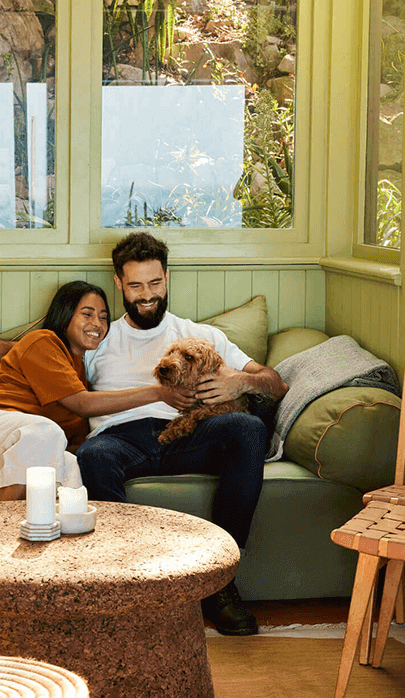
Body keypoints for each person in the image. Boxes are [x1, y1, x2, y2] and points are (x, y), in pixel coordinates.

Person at [75, 232, 288, 636]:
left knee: (246, 427)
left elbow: (275, 384)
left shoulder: (201, 336)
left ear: (167, 278)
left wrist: (240, 383)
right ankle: (124, 584)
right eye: (136, 285)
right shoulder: (98, 337)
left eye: (155, 283)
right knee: (93, 456)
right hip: (122, 440)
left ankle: (221, 580)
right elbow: (28, 351)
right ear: (118, 283)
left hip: (193, 436)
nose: (147, 295)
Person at [0, 281, 193, 503]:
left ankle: (75, 564)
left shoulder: (79, 372)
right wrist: (159, 394)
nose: (97, 324)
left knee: (74, 469)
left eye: (103, 317)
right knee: (45, 433)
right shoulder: (44, 341)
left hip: (1, 451)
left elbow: (71, 422)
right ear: (65, 316)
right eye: (87, 313)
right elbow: (82, 404)